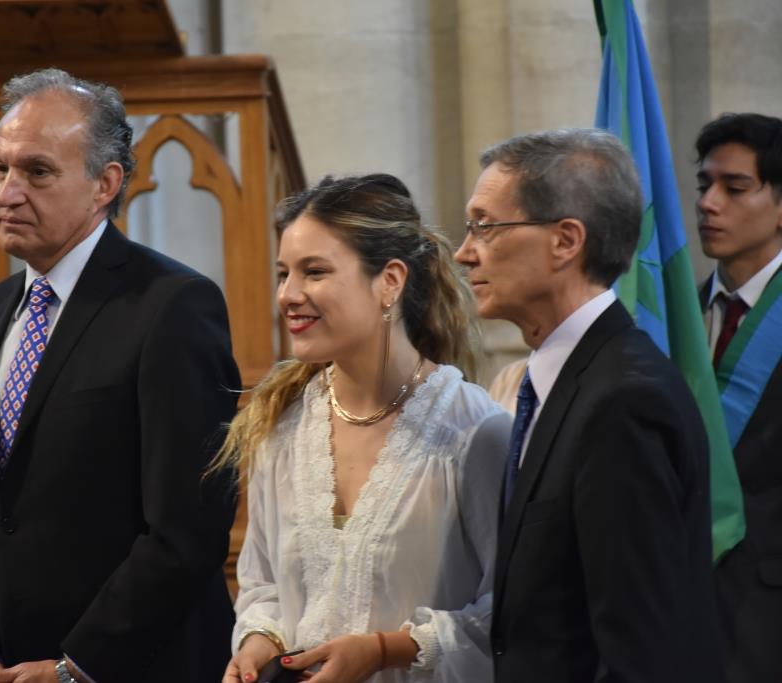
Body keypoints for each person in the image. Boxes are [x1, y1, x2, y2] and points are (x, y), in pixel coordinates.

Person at [0, 68, 240, 683]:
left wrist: (75, 667)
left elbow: (187, 532)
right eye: (0, 168)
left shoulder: (172, 305)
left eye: (37, 172)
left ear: (105, 184)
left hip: (137, 667)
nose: (6, 193)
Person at [217, 174, 511, 683]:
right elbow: (262, 585)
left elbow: (509, 611)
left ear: (390, 282)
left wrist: (383, 649)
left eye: (315, 272)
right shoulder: (280, 424)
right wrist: (259, 642)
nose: (288, 294)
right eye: (284, 273)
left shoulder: (475, 432)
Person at [454, 128, 724, 682]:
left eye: (485, 225)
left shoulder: (623, 400)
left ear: (565, 241)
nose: (464, 252)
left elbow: (642, 648)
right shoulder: (571, 380)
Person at [695, 112, 782, 683]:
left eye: (734, 187)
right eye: (704, 185)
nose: (708, 202)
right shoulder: (674, 315)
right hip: (679, 599)